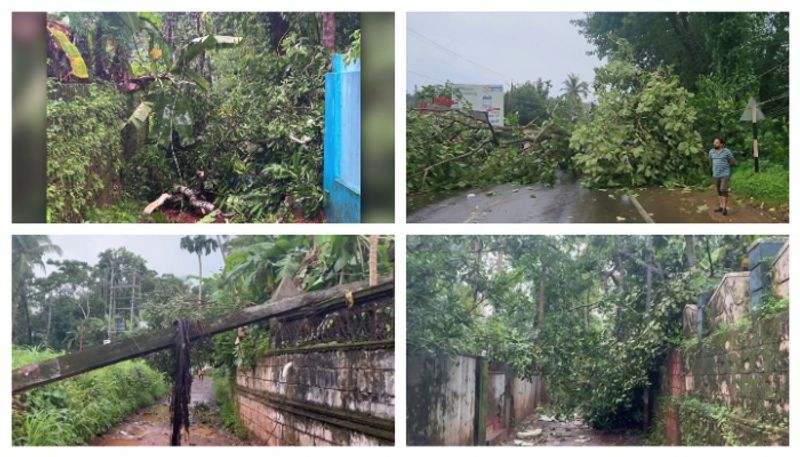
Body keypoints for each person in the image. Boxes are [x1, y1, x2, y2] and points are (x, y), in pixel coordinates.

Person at [708, 137, 736, 215]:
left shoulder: (727, 151)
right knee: (718, 191)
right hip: (716, 174)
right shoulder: (711, 151)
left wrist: (727, 165)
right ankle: (721, 206)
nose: (714, 144)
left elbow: (733, 161)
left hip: (725, 174)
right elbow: (710, 161)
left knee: (723, 189)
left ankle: (724, 208)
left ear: (721, 144)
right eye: (714, 142)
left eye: (716, 142)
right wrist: (711, 170)